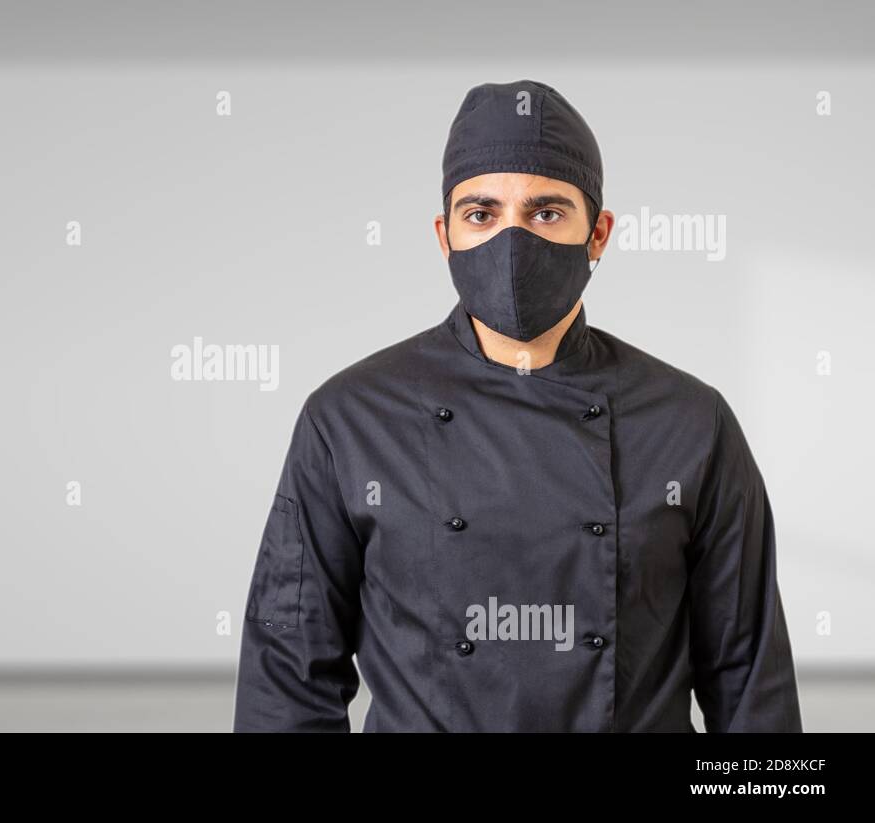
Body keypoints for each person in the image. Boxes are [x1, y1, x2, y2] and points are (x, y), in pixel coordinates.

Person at [231, 79, 803, 733]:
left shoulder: (692, 423)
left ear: (599, 233)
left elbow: (750, 685)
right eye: (482, 213)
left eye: (546, 212)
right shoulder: (349, 419)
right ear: (445, 235)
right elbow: (287, 676)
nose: (512, 240)